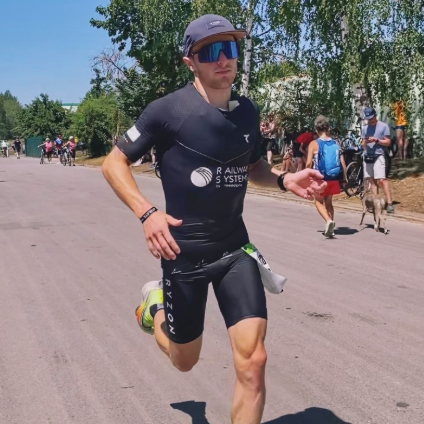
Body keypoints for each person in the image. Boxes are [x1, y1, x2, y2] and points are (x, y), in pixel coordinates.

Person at [102, 14, 326, 424]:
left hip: (234, 249)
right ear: (190, 61)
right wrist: (147, 213)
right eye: (210, 51)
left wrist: (283, 179)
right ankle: (155, 308)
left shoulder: (247, 112)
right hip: (183, 253)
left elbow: (252, 166)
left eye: (230, 48)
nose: (223, 59)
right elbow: (113, 163)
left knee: (253, 360)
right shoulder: (166, 110)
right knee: (184, 360)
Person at [306, 116, 347, 237]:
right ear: (328, 128)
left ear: (316, 129)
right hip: (334, 178)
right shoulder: (336, 143)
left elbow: (308, 163)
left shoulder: (314, 144)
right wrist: (344, 177)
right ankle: (331, 229)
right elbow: (342, 162)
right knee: (329, 202)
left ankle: (329, 221)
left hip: (320, 178)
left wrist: (306, 175)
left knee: (318, 201)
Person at [361, 107, 394, 213]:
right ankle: (376, 203)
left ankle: (389, 203)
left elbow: (388, 142)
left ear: (375, 115)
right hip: (368, 156)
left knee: (382, 179)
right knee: (371, 180)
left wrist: (377, 140)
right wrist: (365, 143)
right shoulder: (365, 128)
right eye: (368, 119)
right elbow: (363, 143)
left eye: (371, 118)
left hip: (379, 155)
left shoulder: (383, 126)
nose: (369, 120)